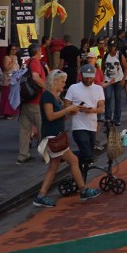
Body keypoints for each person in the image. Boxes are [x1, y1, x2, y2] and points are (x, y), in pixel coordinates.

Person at [34, 70, 100, 207]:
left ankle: (41, 195)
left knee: (54, 166)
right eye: (63, 81)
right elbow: (50, 116)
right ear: (55, 81)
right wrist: (68, 110)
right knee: (73, 160)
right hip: (53, 135)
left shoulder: (54, 96)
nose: (64, 84)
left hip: (56, 134)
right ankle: (83, 190)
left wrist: (70, 112)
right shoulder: (47, 96)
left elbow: (61, 117)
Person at [65, 65, 105, 171]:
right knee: (88, 155)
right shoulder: (73, 88)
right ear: (81, 75)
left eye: (90, 77)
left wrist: (91, 110)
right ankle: (64, 156)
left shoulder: (98, 88)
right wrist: (73, 109)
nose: (88, 79)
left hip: (92, 126)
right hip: (78, 126)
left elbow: (101, 109)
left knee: (88, 156)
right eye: (86, 77)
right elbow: (66, 105)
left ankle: (79, 175)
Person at [16, 44, 47, 164]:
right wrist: (47, 87)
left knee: (24, 129)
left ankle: (23, 155)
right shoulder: (35, 62)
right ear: (38, 51)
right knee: (41, 128)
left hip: (25, 100)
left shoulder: (27, 62)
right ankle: (45, 154)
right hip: (36, 101)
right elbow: (35, 77)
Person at [102, 41, 126, 128]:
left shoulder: (119, 55)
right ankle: (108, 118)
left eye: (114, 47)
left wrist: (123, 79)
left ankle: (117, 118)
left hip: (118, 80)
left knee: (118, 98)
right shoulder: (105, 56)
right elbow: (102, 67)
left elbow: (126, 67)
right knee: (107, 97)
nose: (113, 49)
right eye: (111, 47)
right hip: (108, 80)